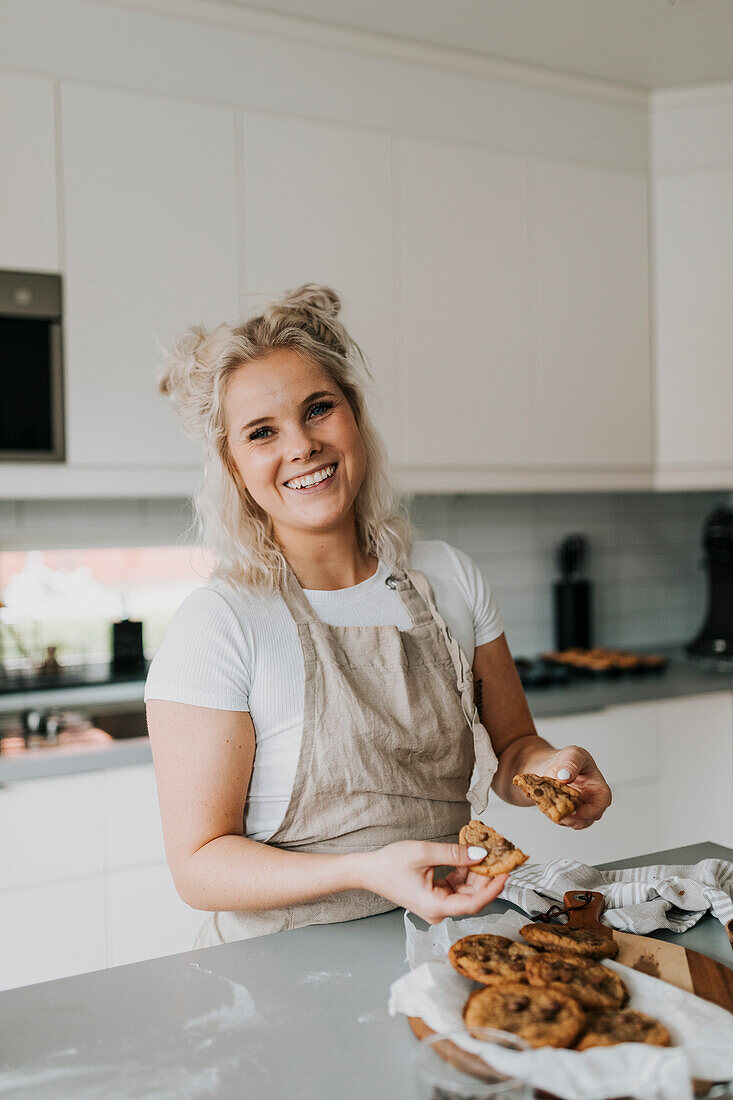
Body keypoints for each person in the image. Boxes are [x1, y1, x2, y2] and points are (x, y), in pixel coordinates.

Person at [145, 284, 612, 947]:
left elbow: (513, 751)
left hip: (449, 937)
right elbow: (199, 868)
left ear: (354, 415)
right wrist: (365, 870)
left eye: (318, 409)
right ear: (233, 465)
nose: (301, 445)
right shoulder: (219, 624)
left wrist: (552, 772)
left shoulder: (447, 577)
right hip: (285, 962)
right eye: (261, 432)